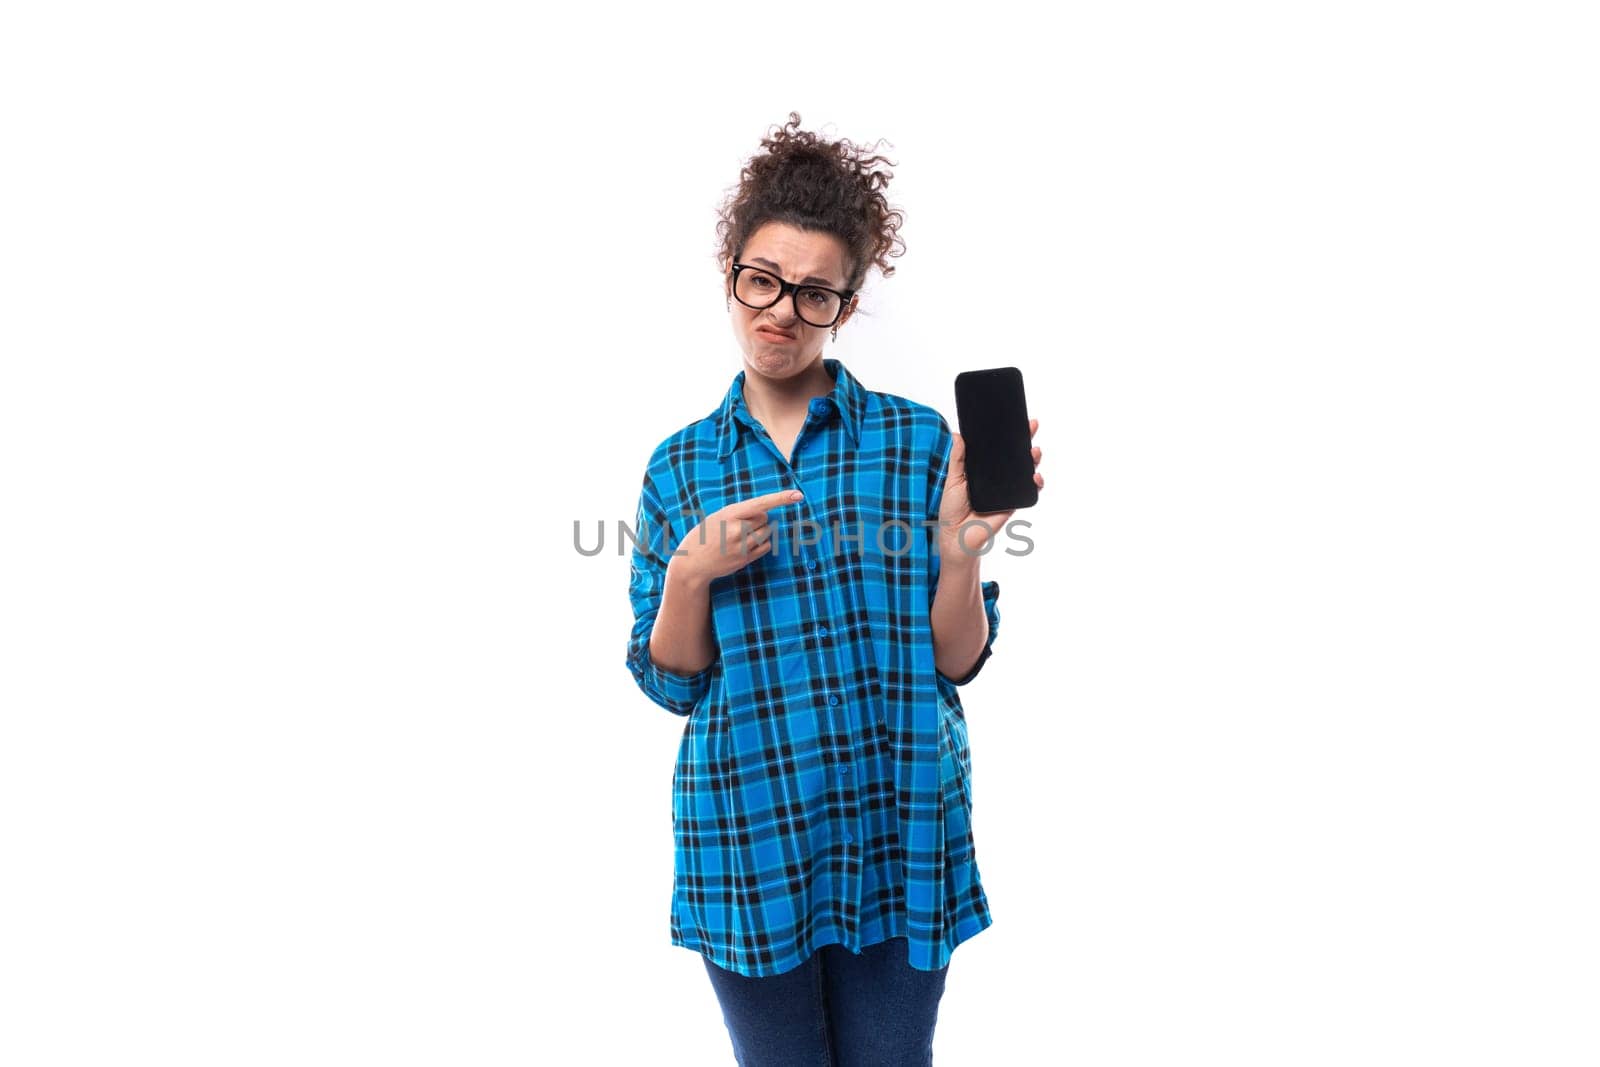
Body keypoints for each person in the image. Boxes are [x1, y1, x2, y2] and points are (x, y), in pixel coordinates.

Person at [624, 113, 1044, 1066]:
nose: (782, 311)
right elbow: (672, 682)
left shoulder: (918, 441)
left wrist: (963, 546)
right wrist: (690, 569)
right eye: (763, 280)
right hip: (751, 836)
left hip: (900, 824)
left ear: (847, 307)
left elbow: (958, 659)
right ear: (731, 271)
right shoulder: (678, 465)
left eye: (816, 294)